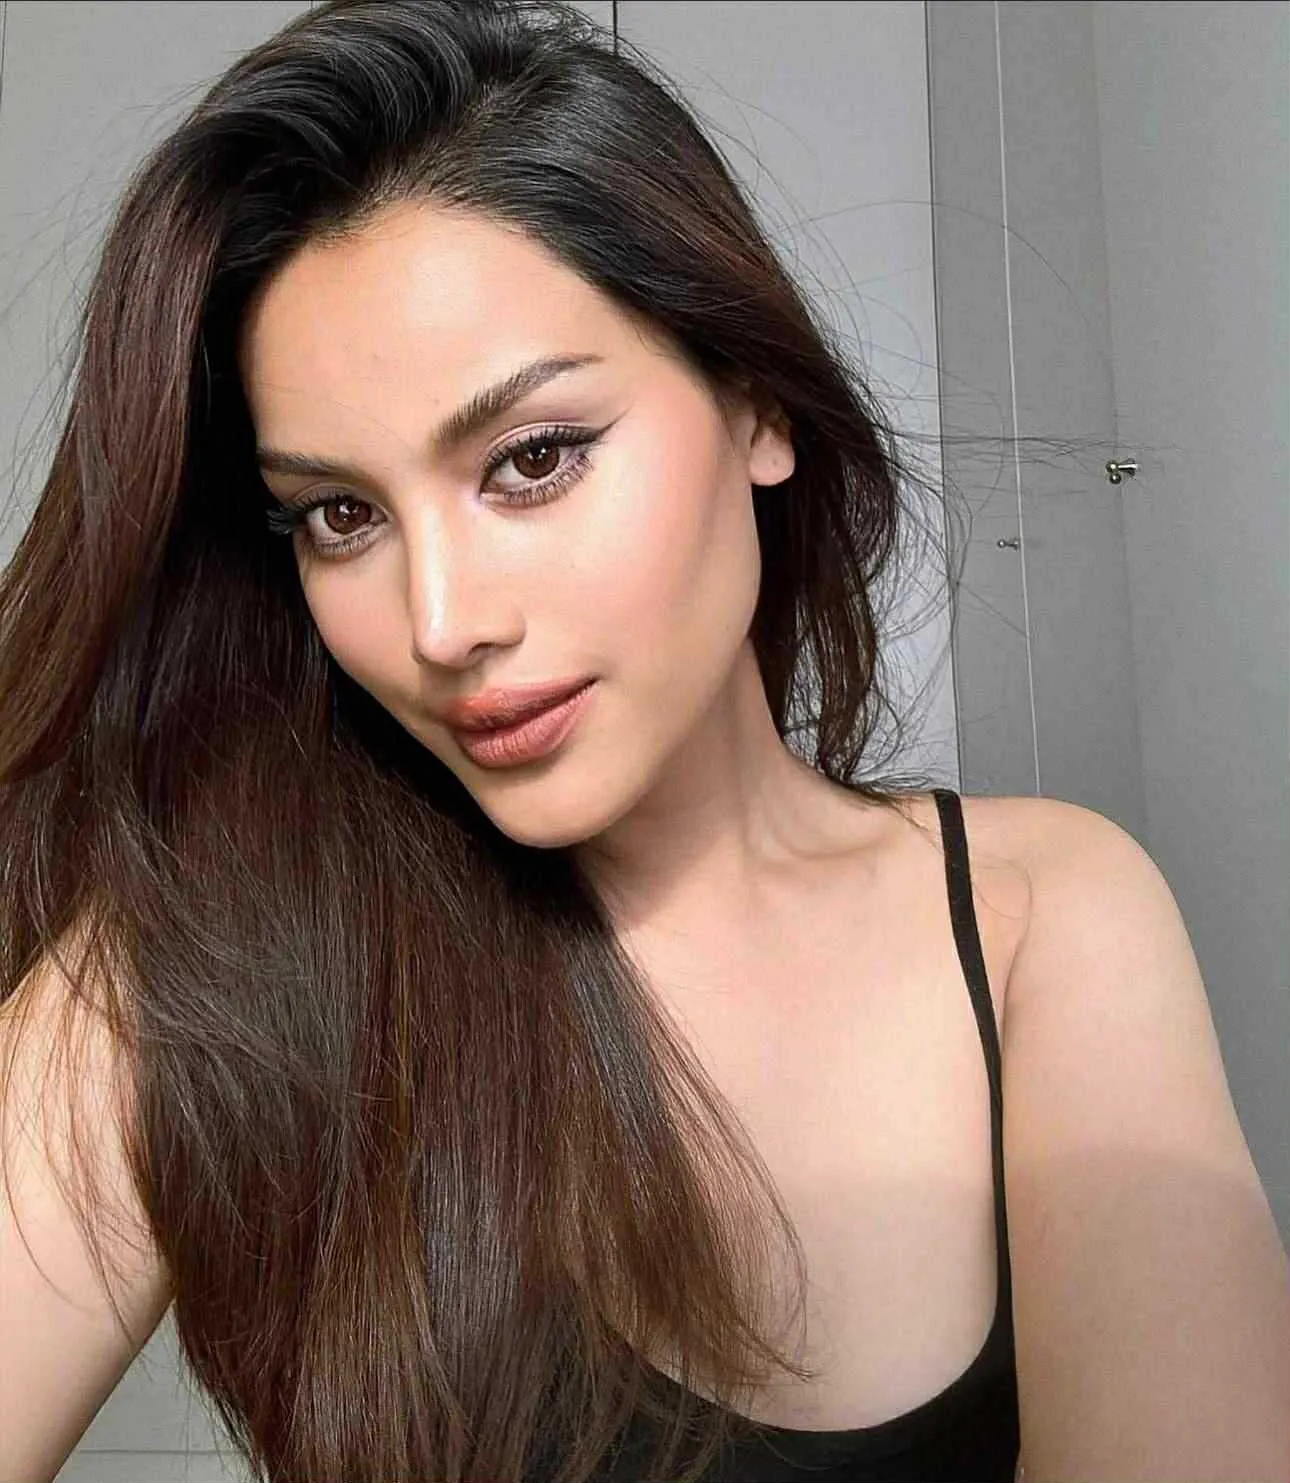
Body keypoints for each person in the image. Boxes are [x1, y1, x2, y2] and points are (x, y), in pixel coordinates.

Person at [3, 3, 1286, 1482]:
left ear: (755, 404)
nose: (440, 623)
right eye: (340, 516)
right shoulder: (209, 963)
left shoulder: (1040, 915)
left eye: (532, 459)